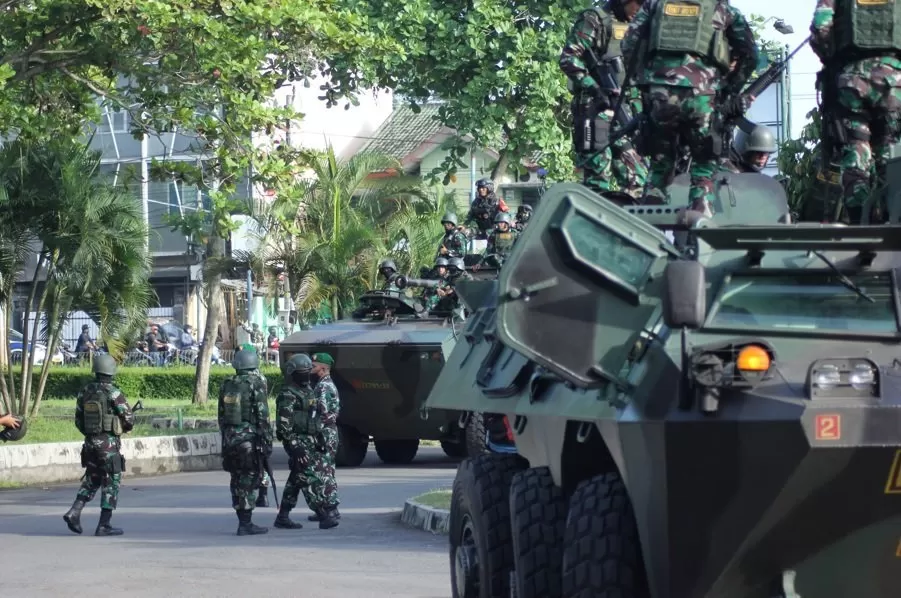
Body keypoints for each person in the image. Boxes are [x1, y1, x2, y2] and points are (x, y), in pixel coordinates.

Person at [622, 0, 758, 213]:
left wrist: (643, 82)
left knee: (660, 165)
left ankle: (647, 232)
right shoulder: (722, 9)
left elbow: (629, 44)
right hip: (702, 96)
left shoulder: (655, 5)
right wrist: (728, 89)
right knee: (704, 167)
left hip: (660, 95)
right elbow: (750, 55)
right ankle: (699, 233)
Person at [811, 0, 901, 224]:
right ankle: (893, 216)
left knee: (855, 153)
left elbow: (820, 28)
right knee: (891, 154)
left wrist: (832, 60)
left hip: (853, 79)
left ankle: (861, 220)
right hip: (895, 82)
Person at [559, 0, 649, 197]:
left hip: (624, 111)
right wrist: (595, 89)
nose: (640, 10)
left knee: (638, 179)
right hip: (594, 110)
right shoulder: (595, 19)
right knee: (597, 181)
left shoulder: (639, 24)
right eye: (638, 4)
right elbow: (569, 59)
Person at [63, 354, 135, 537]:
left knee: (93, 478)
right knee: (111, 482)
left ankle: (74, 512)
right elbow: (129, 420)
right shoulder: (113, 392)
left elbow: (78, 420)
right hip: (108, 445)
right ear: (111, 371)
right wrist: (120, 426)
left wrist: (91, 436)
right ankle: (104, 525)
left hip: (89, 444)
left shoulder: (85, 391)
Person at [273, 353, 335, 529]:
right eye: (303, 372)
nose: (307, 374)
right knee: (308, 476)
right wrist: (294, 447)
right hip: (296, 441)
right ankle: (323, 514)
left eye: (308, 371)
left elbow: (313, 417)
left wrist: (320, 436)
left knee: (296, 478)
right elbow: (283, 426)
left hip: (310, 439)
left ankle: (283, 516)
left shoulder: (307, 391)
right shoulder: (288, 394)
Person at [218, 349, 273, 536]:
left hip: (230, 439)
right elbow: (263, 415)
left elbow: (221, 416)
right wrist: (267, 441)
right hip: (249, 439)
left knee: (236, 478)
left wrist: (226, 437)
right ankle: (246, 523)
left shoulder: (227, 384)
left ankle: (242, 519)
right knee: (249, 478)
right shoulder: (255, 384)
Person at [306, 352, 341, 528]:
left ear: (323, 368)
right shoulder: (324, 384)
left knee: (324, 472)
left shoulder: (324, 387)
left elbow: (324, 414)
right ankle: (328, 507)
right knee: (327, 470)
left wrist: (314, 431)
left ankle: (331, 509)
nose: (312, 367)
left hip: (324, 433)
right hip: (328, 433)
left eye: (314, 365)